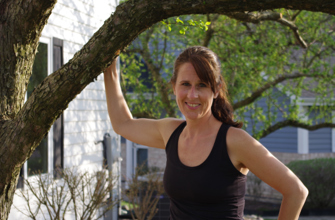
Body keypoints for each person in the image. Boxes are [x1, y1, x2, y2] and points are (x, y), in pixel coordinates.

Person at [104, 46, 308, 220]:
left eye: (201, 85)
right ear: (174, 86)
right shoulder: (170, 132)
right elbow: (123, 124)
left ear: (216, 89)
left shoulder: (234, 141)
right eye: (185, 84)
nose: (192, 95)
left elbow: (296, 191)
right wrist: (109, 69)